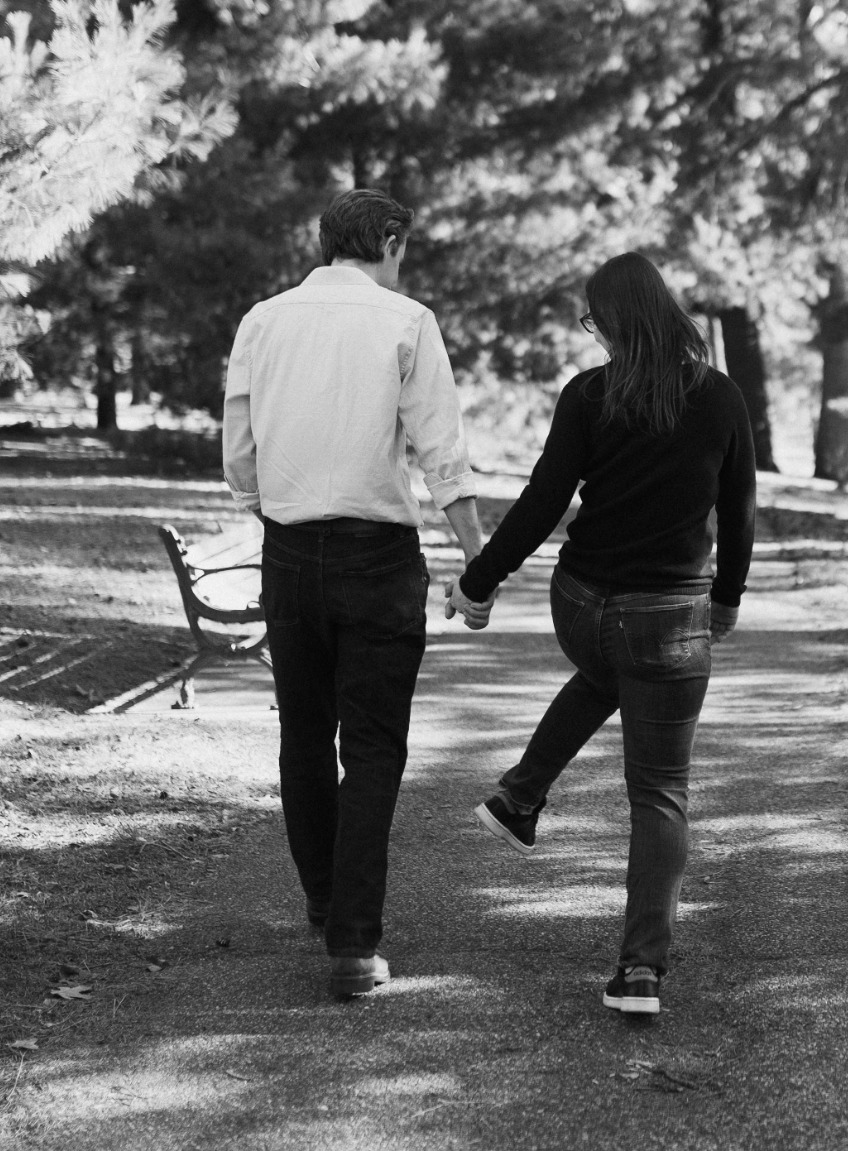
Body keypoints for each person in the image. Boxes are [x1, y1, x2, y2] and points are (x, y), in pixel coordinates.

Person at [446, 251, 757, 1017]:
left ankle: (521, 795)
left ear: (612, 322)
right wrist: (726, 600)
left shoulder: (588, 395)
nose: (592, 336)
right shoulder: (718, 396)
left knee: (611, 667)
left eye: (592, 321)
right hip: (672, 617)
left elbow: (543, 498)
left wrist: (478, 581)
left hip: (582, 607)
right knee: (659, 792)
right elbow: (741, 511)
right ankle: (640, 972)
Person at [223, 188, 489, 999]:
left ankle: (322, 894)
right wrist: (477, 561)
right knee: (372, 747)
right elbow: (442, 455)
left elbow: (240, 456)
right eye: (402, 246)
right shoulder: (406, 321)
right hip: (377, 556)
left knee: (304, 735)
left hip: (290, 550)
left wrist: (278, 511)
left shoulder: (262, 321)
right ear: (388, 238)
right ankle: (353, 941)